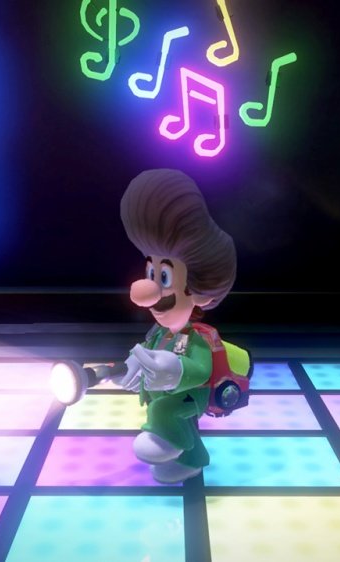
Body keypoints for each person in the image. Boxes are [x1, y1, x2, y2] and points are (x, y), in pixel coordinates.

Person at [117, 168, 237, 483]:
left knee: (165, 413)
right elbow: (146, 353)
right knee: (167, 411)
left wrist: (178, 370)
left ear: (199, 291)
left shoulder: (195, 337)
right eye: (152, 273)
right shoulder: (158, 333)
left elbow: (200, 370)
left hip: (192, 394)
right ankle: (193, 458)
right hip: (164, 392)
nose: (148, 290)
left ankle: (173, 443)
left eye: (164, 277)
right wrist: (128, 368)